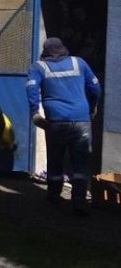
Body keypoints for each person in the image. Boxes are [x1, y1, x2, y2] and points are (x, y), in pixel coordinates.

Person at [26, 37, 101, 216]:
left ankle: (53, 198)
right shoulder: (79, 63)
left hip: (56, 122)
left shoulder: (39, 67)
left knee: (55, 161)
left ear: (45, 52)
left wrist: (35, 112)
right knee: (81, 163)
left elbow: (31, 88)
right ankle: (79, 202)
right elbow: (95, 87)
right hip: (81, 120)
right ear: (64, 49)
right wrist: (92, 106)